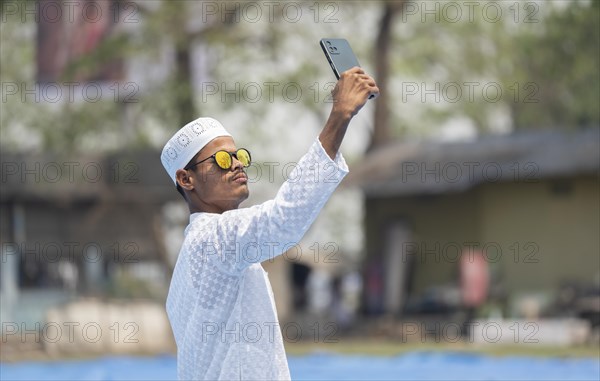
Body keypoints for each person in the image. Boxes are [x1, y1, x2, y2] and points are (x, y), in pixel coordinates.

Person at [161, 67, 379, 380]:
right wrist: (339, 117)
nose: (236, 164)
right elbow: (284, 219)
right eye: (222, 160)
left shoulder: (203, 251)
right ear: (186, 178)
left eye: (239, 157)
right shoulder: (214, 237)